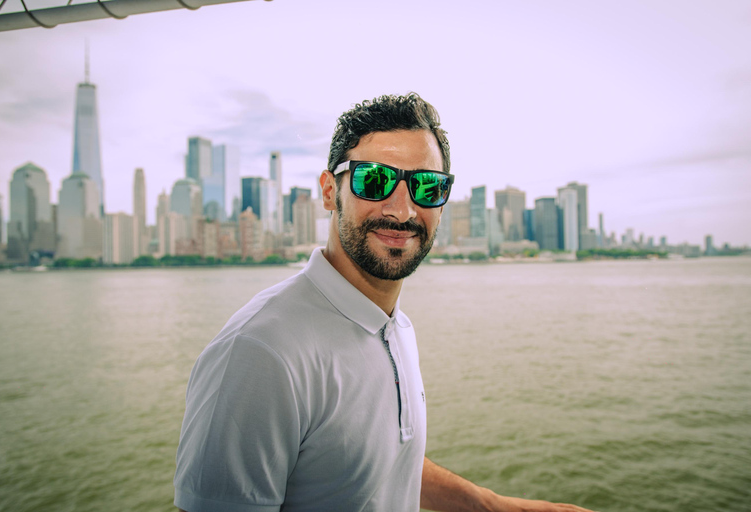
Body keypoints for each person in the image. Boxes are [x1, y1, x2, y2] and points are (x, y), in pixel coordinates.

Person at [174, 93, 594, 512]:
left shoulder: (392, 327)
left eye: (427, 185)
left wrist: (492, 506)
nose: (402, 209)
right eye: (374, 179)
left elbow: (372, 459)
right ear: (328, 190)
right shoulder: (260, 353)